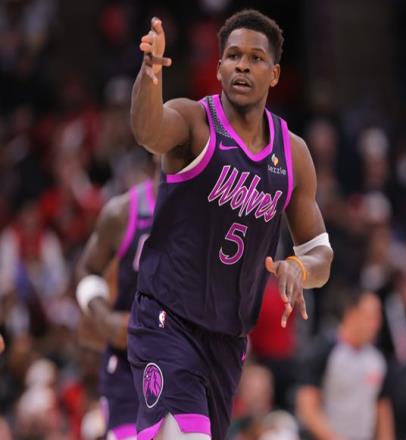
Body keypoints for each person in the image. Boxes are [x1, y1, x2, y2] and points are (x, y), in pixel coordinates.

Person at [129, 9, 334, 440]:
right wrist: (150, 73)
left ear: (274, 74)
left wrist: (299, 267)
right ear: (219, 66)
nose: (243, 65)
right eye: (234, 56)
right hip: (166, 318)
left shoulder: (293, 155)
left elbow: (320, 252)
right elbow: (148, 131)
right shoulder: (193, 122)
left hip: (227, 339)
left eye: (256, 58)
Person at [76, 158, 158, 440]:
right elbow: (86, 269)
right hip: (128, 361)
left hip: (186, 361)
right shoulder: (123, 211)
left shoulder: (211, 209)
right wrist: (104, 318)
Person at [296, 290, 395, 440]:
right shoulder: (325, 351)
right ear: (351, 314)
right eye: (370, 317)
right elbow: (307, 407)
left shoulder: (378, 360)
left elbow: (383, 410)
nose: (375, 325)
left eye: (378, 318)